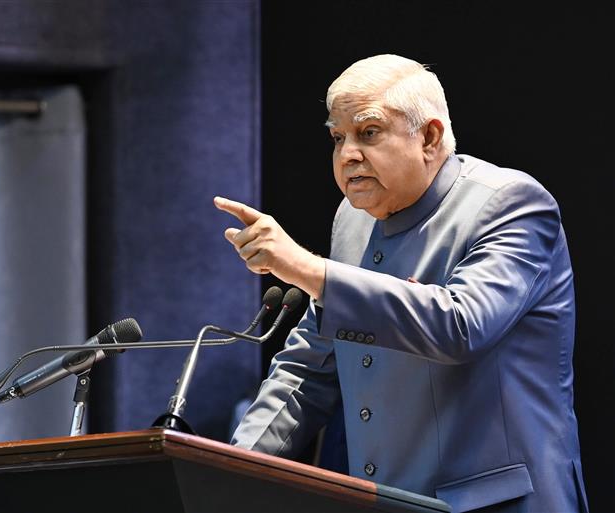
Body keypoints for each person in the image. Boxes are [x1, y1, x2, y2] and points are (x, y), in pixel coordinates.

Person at [214, 54, 588, 513]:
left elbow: (461, 326)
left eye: (368, 133)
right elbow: (309, 368)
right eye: (337, 137)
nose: (348, 153)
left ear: (429, 137)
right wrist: (227, 469)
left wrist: (306, 269)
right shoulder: (352, 222)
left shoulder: (511, 203)